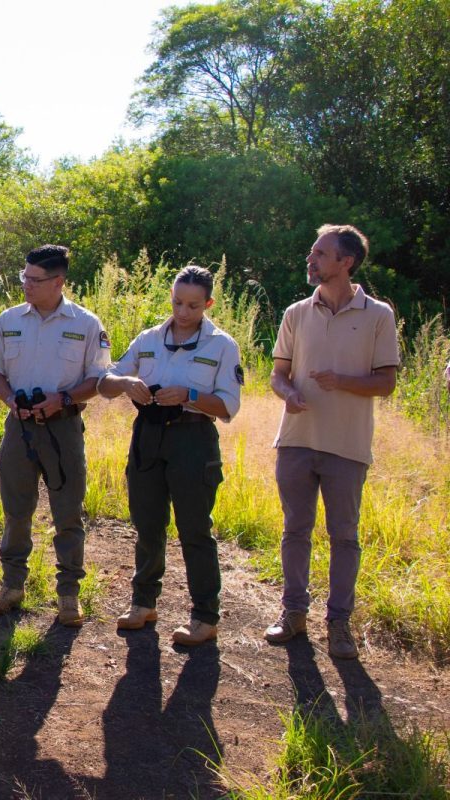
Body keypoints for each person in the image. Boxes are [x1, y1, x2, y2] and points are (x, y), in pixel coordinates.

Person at [263, 224, 399, 660]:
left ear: (346, 262)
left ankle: (339, 625)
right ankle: (293, 615)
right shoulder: (296, 313)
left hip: (347, 446)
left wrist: (341, 381)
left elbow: (387, 383)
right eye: (312, 252)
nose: (311, 259)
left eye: (320, 254)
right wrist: (289, 394)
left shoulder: (378, 315)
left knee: (344, 536)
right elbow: (277, 375)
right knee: (294, 530)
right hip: (297, 441)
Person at [98, 266, 243, 646]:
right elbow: (106, 381)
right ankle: (143, 603)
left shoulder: (222, 346)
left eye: (193, 305)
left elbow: (229, 406)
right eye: (178, 302)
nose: (183, 311)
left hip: (192, 440)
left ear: (208, 304)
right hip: (147, 436)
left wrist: (190, 396)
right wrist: (127, 382)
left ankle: (205, 616)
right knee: (147, 524)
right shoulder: (148, 339)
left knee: (195, 529)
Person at [0, 245, 110, 625]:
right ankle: (12, 586)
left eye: (34, 280)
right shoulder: (9, 320)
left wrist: (64, 398)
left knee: (68, 513)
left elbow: (99, 379)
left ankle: (69, 594)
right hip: (18, 428)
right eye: (24, 278)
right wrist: (10, 401)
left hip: (63, 429)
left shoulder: (86, 324)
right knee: (15, 511)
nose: (26, 286)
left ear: (58, 282)